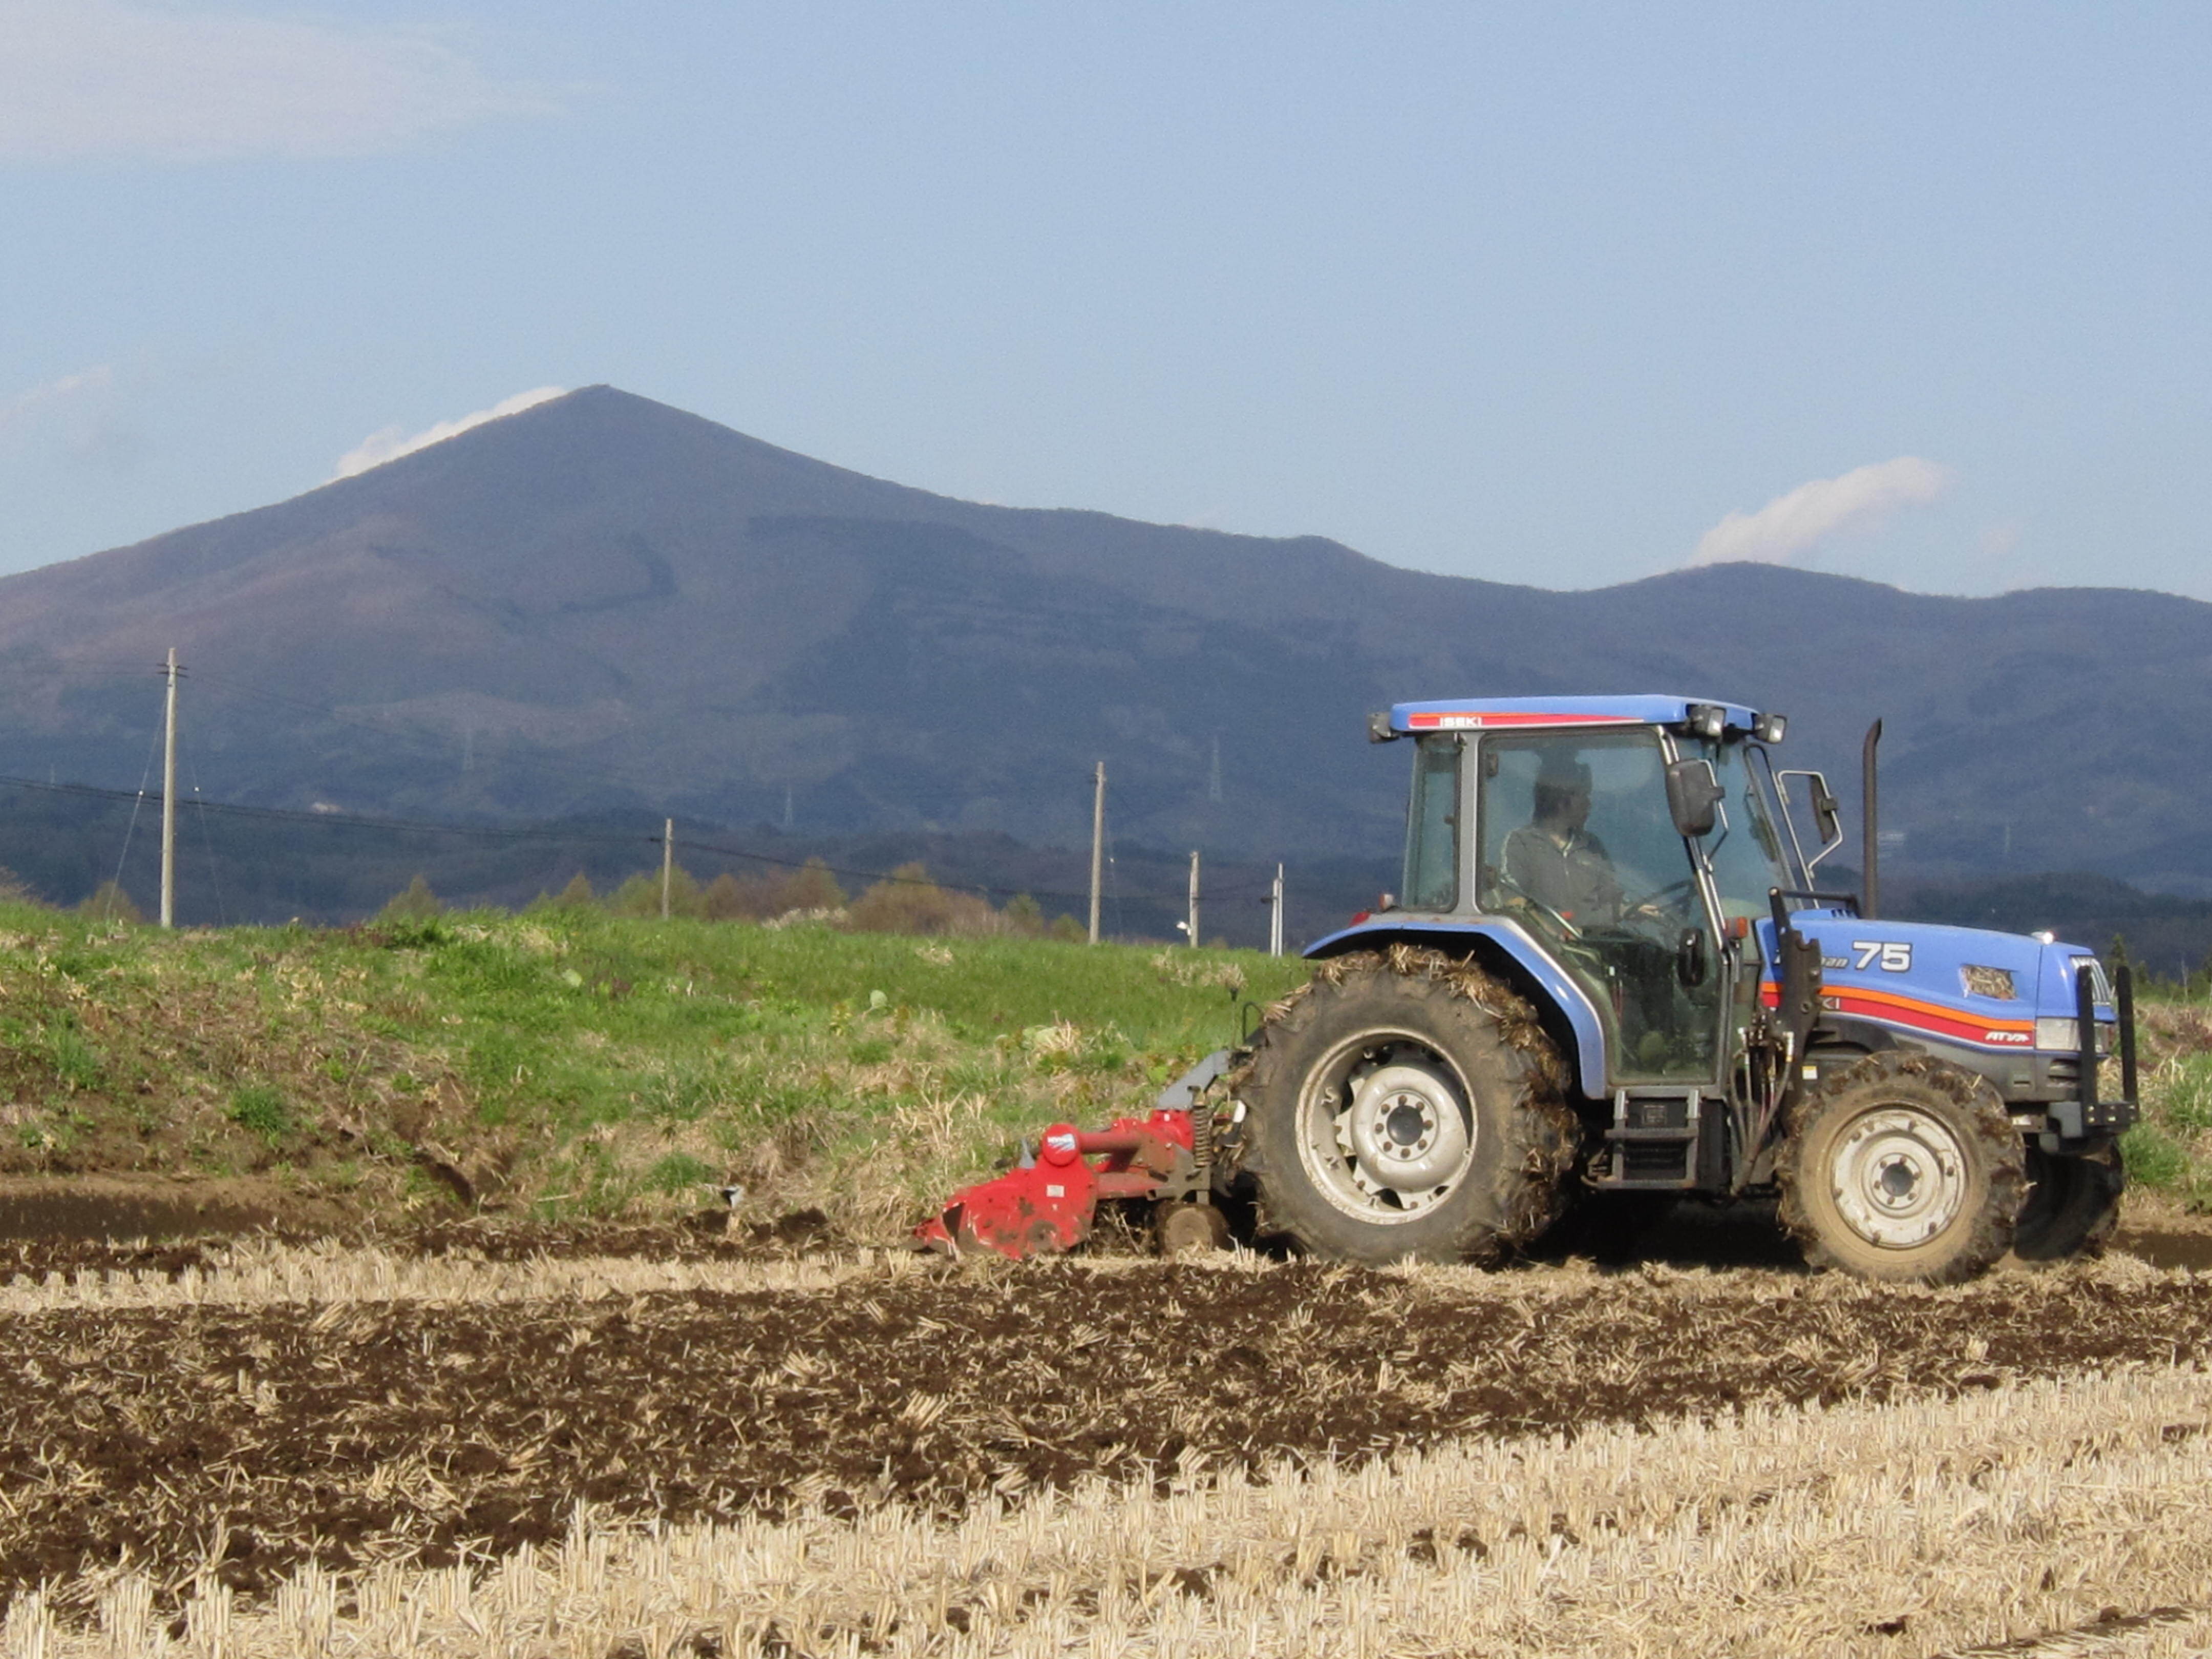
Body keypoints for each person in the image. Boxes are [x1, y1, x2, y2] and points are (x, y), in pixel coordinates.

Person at [1501, 754, 1625, 926]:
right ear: (1561, 800)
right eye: (1584, 796)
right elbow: (1512, 900)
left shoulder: (1592, 846)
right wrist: (1546, 930)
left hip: (1592, 941)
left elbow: (1611, 899)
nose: (1589, 804)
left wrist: (1630, 911)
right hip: (1544, 943)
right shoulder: (1522, 842)